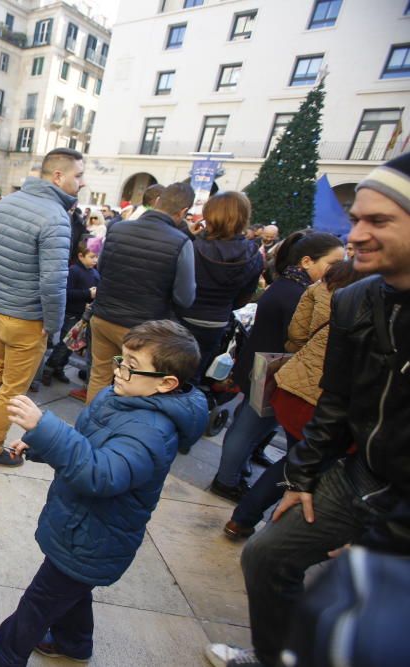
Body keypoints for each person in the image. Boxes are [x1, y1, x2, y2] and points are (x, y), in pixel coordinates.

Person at [205, 153, 410, 667]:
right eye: (356, 219)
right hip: (362, 471)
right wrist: (302, 477)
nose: (356, 236)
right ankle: (273, 655)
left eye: (378, 221)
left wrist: (381, 539)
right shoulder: (355, 299)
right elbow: (335, 398)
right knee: (268, 554)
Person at [0, 320, 208, 667]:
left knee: (40, 601)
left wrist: (43, 427)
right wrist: (39, 444)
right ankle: (74, 643)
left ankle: (3, 657)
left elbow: (101, 474)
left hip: (95, 536)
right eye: (121, 360)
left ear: (167, 383)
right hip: (83, 525)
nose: (119, 371)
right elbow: (85, 443)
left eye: (132, 367)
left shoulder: (152, 432)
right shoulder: (123, 397)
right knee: (72, 592)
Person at [223, 259, 365, 540]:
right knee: (299, 463)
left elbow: (296, 336)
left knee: (295, 458)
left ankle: (247, 519)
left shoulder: (325, 285)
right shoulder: (384, 296)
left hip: (293, 387)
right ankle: (248, 520)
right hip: (327, 400)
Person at [0, 148, 83, 467]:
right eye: (78, 176)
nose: (81, 183)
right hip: (27, 317)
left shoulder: (6, 204)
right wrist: (52, 324)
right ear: (58, 176)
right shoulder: (55, 217)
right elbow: (53, 281)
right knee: (14, 387)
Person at [208, 230, 344, 503]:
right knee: (247, 428)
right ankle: (226, 481)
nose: (337, 271)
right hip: (271, 368)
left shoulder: (287, 284)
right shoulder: (299, 293)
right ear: (307, 261)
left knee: (248, 426)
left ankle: (233, 473)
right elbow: (297, 337)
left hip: (262, 364)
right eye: (332, 264)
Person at [85, 182, 196, 404]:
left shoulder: (119, 228)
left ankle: (89, 425)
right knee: (135, 384)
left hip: (104, 316)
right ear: (183, 212)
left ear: (157, 202)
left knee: (99, 377)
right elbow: (185, 297)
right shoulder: (180, 242)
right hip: (142, 327)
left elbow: (101, 268)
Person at [176, 191, 263, 385]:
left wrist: (188, 233)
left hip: (183, 316)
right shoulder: (254, 255)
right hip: (216, 321)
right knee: (194, 377)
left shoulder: (192, 245)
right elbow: (245, 295)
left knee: (170, 372)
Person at [41, 243, 100, 388]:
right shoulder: (74, 271)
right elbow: (67, 292)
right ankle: (49, 369)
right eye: (92, 257)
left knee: (72, 346)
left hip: (83, 315)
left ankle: (59, 368)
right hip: (71, 314)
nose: (95, 260)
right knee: (64, 344)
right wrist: (88, 294)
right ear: (81, 256)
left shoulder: (94, 273)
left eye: (97, 257)